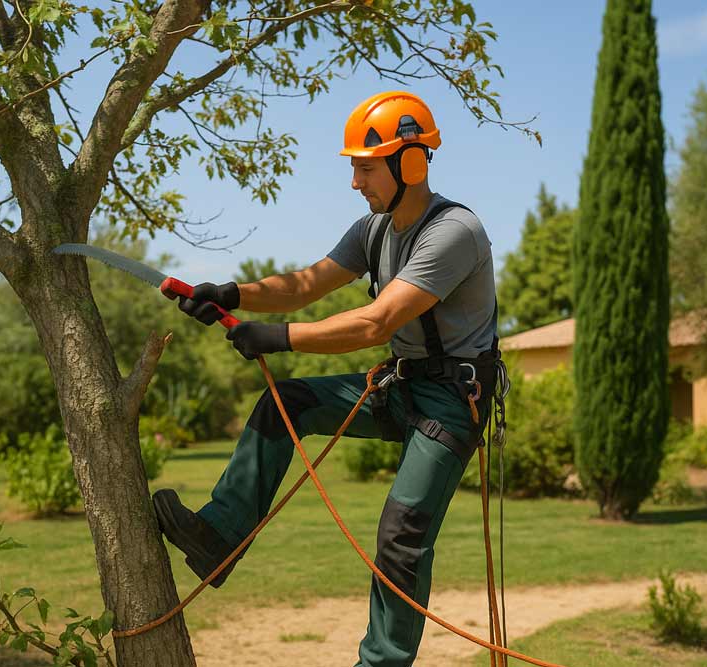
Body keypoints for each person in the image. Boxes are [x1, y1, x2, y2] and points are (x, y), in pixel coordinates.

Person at [154, 90, 499, 667]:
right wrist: (231, 294)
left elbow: (376, 322)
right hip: (401, 385)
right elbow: (307, 284)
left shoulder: (454, 231)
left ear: (411, 162)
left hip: (450, 403)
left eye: (366, 168)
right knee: (284, 400)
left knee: (401, 535)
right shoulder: (374, 230)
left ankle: (381, 662)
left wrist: (278, 337)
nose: (355, 182)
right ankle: (219, 537)